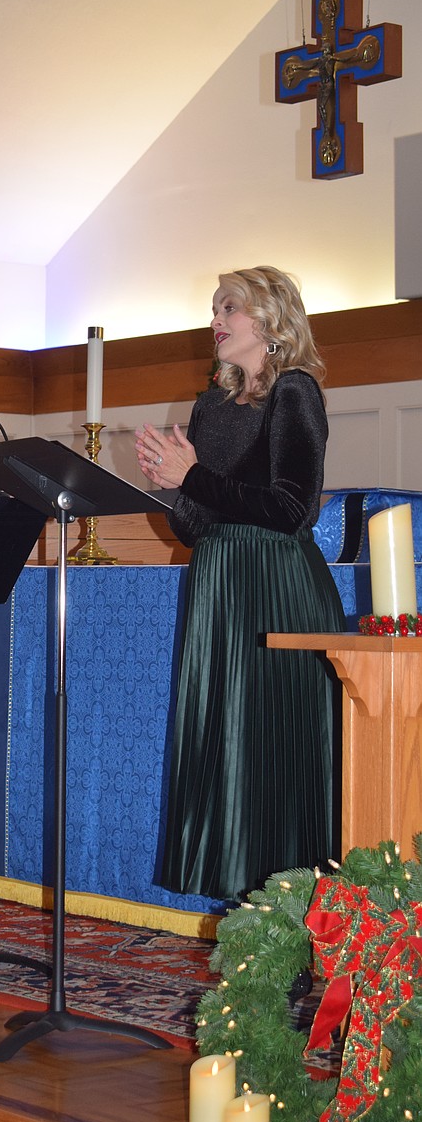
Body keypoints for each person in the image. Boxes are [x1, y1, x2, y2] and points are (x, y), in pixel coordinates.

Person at [135, 266, 345, 901]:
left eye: (229, 306)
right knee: (225, 747)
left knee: (276, 751)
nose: (215, 320)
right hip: (220, 584)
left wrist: (191, 475)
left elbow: (291, 509)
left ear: (271, 318)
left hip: (277, 587)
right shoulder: (210, 405)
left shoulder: (294, 392)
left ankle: (295, 909)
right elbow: (197, 527)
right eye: (214, 309)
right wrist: (172, 486)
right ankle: (241, 908)